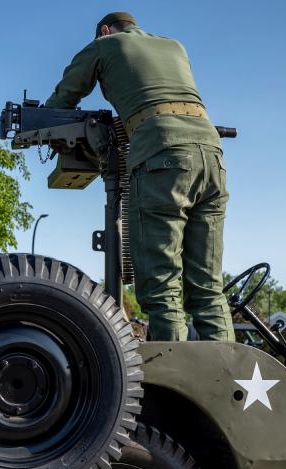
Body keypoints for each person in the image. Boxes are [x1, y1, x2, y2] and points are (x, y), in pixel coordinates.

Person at [44, 11, 234, 341]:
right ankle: (229, 382)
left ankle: (170, 386)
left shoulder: (104, 45)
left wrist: (44, 124)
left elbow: (63, 101)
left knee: (163, 290)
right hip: (211, 155)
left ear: (105, 30)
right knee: (208, 290)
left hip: (163, 156)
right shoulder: (175, 46)